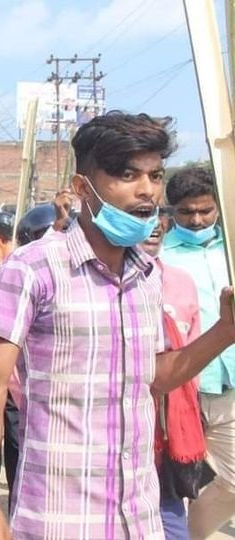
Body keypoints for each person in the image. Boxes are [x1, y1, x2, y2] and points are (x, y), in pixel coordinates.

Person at [0, 111, 235, 540]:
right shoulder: (33, 268)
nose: (146, 190)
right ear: (82, 187)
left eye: (155, 175)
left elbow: (155, 376)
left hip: (139, 518)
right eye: (127, 175)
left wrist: (224, 332)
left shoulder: (147, 274)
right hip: (60, 518)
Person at [158, 166, 235, 539]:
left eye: (205, 210)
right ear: (172, 210)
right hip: (179, 386)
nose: (197, 220)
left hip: (228, 386)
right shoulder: (159, 257)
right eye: (186, 212)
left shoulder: (231, 249)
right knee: (176, 482)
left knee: (232, 483)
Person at [139, 207, 207, 540]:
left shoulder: (179, 281)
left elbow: (191, 349)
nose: (153, 226)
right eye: (141, 217)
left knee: (171, 516)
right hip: (116, 426)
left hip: (168, 426)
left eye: (156, 217)